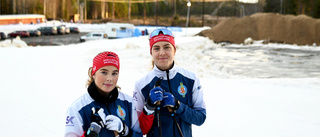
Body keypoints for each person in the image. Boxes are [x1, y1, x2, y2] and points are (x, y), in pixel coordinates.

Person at [133, 28, 206, 137]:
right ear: (151, 52)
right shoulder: (142, 85)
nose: (162, 53)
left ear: (174, 50)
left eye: (167, 47)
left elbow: (200, 118)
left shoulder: (191, 79)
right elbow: (138, 129)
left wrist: (178, 106)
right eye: (156, 48)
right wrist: (148, 107)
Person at [65, 51, 142, 137]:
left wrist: (125, 131)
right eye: (104, 72)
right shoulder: (77, 108)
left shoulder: (128, 102)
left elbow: (139, 134)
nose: (109, 78)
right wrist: (91, 133)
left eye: (114, 73)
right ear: (93, 73)